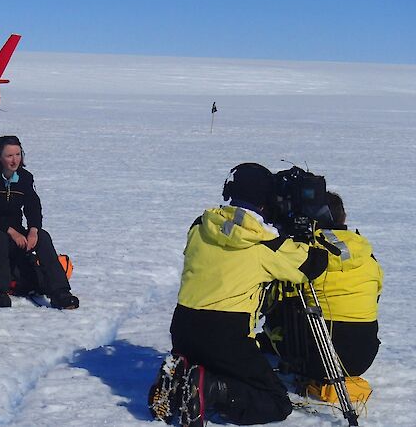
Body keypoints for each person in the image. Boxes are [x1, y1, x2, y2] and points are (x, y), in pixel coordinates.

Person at [148, 163, 329, 427]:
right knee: (276, 402)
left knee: (214, 358)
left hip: (183, 327)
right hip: (225, 333)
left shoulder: (199, 226)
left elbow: (231, 233)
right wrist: (304, 232)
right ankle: (210, 388)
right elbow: (311, 266)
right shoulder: (263, 242)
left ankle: (181, 375)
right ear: (267, 201)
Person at [263, 191, 383, 380]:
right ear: (343, 217)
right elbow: (376, 294)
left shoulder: (307, 254)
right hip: (363, 355)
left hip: (317, 358)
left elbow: (273, 302)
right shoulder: (365, 253)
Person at [0, 135, 79, 309]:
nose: (14, 160)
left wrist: (34, 230)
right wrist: (11, 232)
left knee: (42, 237)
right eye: (9, 156)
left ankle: (60, 292)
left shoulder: (25, 178)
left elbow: (33, 206)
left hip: (16, 234)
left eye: (18, 155)